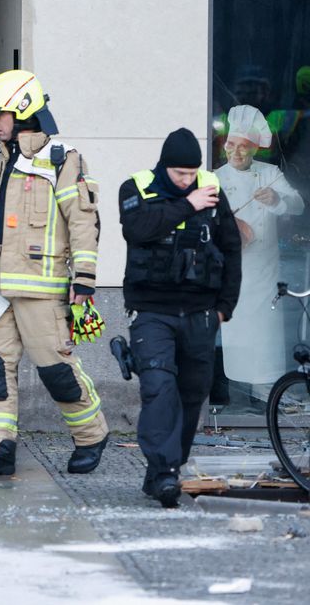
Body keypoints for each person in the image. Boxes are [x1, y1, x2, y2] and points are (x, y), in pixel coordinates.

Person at [0, 70, 109, 477]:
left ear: (22, 112)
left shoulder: (62, 159)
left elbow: (84, 222)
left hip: (40, 288)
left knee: (57, 370)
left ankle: (91, 435)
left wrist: (84, 280)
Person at [119, 127, 242, 507]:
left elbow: (231, 248)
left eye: (192, 174)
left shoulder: (213, 189)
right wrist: (189, 203)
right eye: (180, 174)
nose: (188, 180)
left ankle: (162, 470)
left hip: (201, 313)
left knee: (192, 395)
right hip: (153, 312)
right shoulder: (136, 188)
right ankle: (167, 472)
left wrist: (225, 306)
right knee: (159, 387)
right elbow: (138, 229)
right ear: (165, 167)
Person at [217, 105, 304, 397]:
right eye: (232, 145)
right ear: (225, 146)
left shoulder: (269, 173)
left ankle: (270, 390)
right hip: (234, 270)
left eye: (245, 147)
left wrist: (276, 198)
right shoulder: (214, 178)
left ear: (255, 150)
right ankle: (239, 390)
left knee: (266, 333)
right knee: (237, 330)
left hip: (265, 270)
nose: (238, 153)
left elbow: (298, 205)